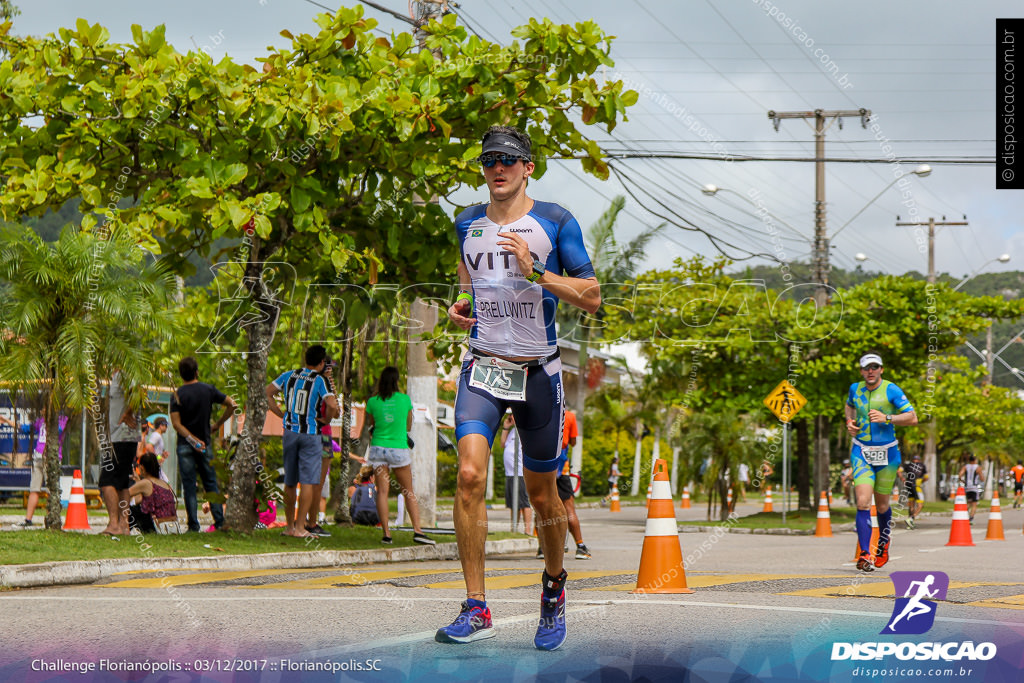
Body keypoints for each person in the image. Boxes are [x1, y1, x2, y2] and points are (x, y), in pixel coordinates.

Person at [437, 124, 601, 650]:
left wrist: (539, 273)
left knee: (541, 492)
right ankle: (476, 605)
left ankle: (553, 590)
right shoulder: (465, 222)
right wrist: (460, 308)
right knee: (468, 475)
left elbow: (593, 296)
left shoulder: (555, 221)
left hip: (539, 374)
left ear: (529, 166)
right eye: (489, 160)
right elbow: (469, 284)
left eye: (508, 158)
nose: (498, 168)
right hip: (483, 366)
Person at [844, 352, 917, 572]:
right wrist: (849, 421)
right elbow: (849, 405)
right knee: (863, 502)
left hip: (887, 453)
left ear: (881, 370)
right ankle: (865, 554)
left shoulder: (891, 390)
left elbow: (912, 418)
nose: (870, 371)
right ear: (861, 371)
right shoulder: (855, 389)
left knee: (883, 505)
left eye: (875, 367)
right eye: (867, 368)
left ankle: (882, 546)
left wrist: (887, 418)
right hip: (861, 451)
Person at [266, 345, 340, 538]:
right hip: (311, 433)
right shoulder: (320, 380)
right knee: (308, 481)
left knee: (290, 481)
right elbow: (332, 405)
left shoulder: (289, 375)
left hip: (289, 432)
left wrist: (280, 414)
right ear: (322, 362)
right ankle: (301, 528)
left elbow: (267, 392)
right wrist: (326, 420)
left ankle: (289, 527)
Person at [364, 366, 435, 546]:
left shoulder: (372, 402)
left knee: (382, 492)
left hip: (378, 448)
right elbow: (409, 426)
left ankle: (386, 534)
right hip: (398, 448)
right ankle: (418, 531)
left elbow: (372, 425)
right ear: (396, 381)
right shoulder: (405, 400)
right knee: (408, 491)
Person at [170, 357, 237, 532]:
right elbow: (232, 404)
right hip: (205, 444)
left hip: (185, 445)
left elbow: (176, 424)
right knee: (210, 483)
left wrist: (192, 440)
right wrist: (217, 425)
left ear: (181, 374)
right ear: (197, 371)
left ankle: (193, 525)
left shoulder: (177, 395)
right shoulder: (208, 390)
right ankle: (220, 522)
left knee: (189, 485)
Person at [101, 372, 141, 536]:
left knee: (106, 479)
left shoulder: (126, 372)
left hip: (121, 437)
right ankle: (124, 525)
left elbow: (138, 393)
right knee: (123, 482)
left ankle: (114, 524)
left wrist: (128, 413)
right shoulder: (117, 375)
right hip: (122, 437)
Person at [17, 408, 68, 528]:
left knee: (49, 490)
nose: (41, 410)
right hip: (40, 456)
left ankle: (50, 518)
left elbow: (59, 430)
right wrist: (9, 422)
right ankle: (28, 520)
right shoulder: (42, 420)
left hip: (50, 457)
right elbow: (25, 429)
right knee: (36, 489)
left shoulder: (60, 419)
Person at [127, 453, 177, 533]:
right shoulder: (163, 482)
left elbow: (125, 495)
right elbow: (140, 499)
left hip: (159, 526)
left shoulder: (146, 483)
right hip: (173, 526)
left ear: (142, 468)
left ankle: (120, 528)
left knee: (130, 509)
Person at [499, 415, 532, 534]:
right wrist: (506, 427)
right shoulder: (513, 431)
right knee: (513, 503)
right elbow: (503, 444)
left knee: (524, 502)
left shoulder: (525, 431)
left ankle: (527, 530)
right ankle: (514, 529)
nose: (510, 417)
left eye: (512, 415)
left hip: (520, 473)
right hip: (510, 473)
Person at [899, 454, 927, 528]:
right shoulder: (922, 466)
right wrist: (921, 481)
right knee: (920, 505)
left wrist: (902, 479)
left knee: (911, 505)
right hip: (916, 487)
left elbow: (899, 471)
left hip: (908, 485)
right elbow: (926, 477)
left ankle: (909, 524)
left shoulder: (908, 465)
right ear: (919, 460)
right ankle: (911, 519)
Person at [957, 455, 985, 523]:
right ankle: (971, 518)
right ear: (975, 460)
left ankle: (963, 516)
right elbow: (982, 479)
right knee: (974, 504)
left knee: (968, 502)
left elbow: (960, 475)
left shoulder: (965, 467)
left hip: (967, 487)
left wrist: (962, 481)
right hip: (974, 487)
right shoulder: (978, 467)